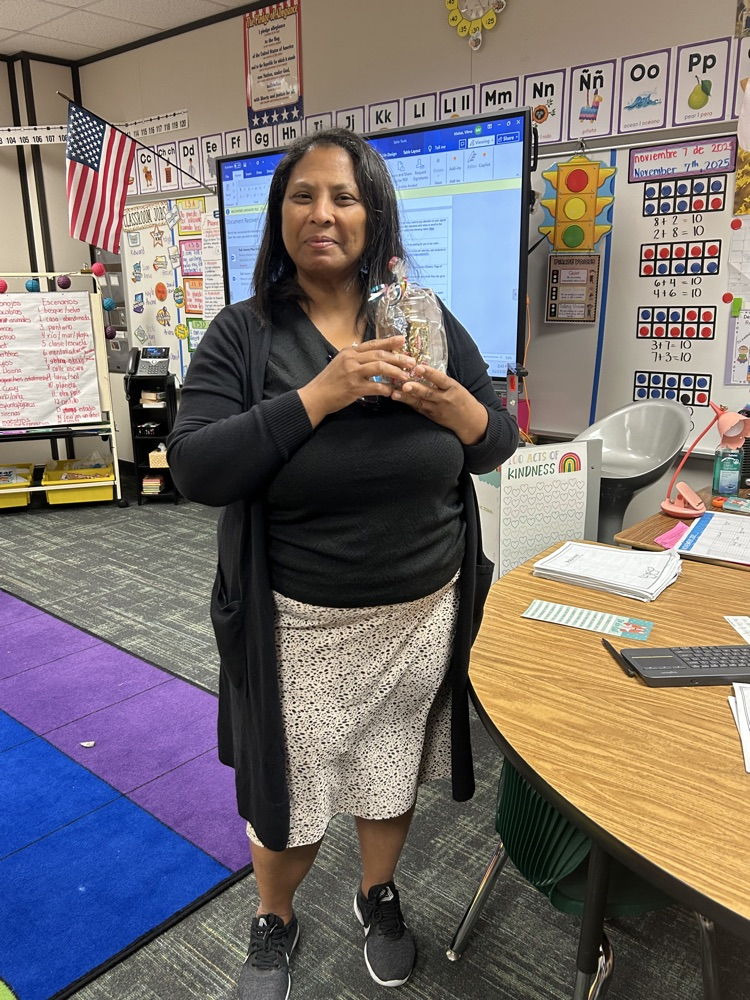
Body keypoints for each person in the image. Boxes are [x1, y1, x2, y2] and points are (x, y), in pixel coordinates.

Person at [167, 127, 519, 999]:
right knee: (289, 797)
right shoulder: (245, 333)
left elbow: (496, 441)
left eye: (344, 197)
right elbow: (197, 467)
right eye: (303, 196)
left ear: (374, 216)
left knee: (392, 771)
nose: (322, 213)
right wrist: (320, 396)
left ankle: (377, 893)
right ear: (279, 215)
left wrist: (459, 409)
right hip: (301, 626)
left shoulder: (422, 316)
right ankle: (275, 917)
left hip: (423, 613)